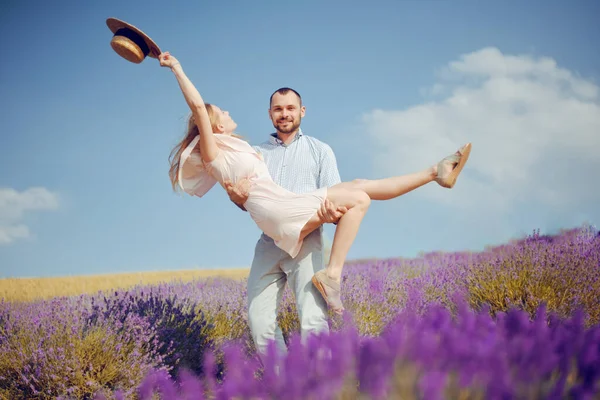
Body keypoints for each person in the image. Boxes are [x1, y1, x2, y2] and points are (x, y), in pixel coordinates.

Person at [159, 51, 471, 346]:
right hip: (272, 233)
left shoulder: (314, 150)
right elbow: (204, 118)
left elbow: (327, 204)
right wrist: (177, 68)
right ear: (269, 114)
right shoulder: (253, 151)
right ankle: (327, 287)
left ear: (301, 111)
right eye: (278, 109)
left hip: (304, 231)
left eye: (290, 108)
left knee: (358, 195)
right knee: (260, 318)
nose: (284, 114)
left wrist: (329, 212)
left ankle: (435, 172)